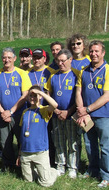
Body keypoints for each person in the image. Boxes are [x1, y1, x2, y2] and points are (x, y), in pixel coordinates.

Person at [75, 40, 109, 188]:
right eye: (91, 51)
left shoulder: (107, 70)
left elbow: (106, 96)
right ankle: (92, 170)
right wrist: (82, 111)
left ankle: (106, 175)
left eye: (96, 51)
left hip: (103, 116)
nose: (93, 54)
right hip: (87, 116)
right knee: (89, 144)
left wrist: (87, 109)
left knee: (105, 146)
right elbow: (78, 92)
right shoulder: (84, 70)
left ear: (103, 53)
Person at [0, 47, 31, 169]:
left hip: (19, 114)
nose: (6, 60)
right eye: (4, 57)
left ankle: (23, 164)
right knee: (4, 142)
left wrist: (11, 111)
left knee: (21, 140)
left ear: (14, 59)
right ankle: (9, 165)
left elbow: (25, 95)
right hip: (2, 115)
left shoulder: (22, 73)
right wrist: (3, 112)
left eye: (9, 57)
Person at [45, 49, 81, 178]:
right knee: (59, 141)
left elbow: (79, 96)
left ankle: (73, 167)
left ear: (70, 60)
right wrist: (54, 110)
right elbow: (48, 93)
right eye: (58, 61)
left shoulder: (77, 74)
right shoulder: (53, 75)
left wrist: (68, 111)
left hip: (71, 115)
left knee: (73, 141)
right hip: (56, 115)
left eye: (63, 61)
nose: (60, 63)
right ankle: (60, 165)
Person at [17, 85, 58, 187]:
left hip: (40, 152)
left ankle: (52, 171)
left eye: (35, 96)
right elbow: (22, 135)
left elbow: (55, 105)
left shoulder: (44, 110)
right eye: (30, 96)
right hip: (26, 153)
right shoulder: (25, 112)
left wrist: (42, 93)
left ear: (40, 97)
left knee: (45, 183)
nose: (32, 98)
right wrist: (19, 154)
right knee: (28, 180)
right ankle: (37, 170)